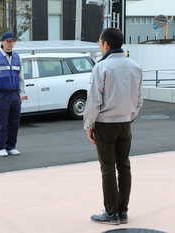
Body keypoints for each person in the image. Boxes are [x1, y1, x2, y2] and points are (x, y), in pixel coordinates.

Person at [83, 28, 143, 225]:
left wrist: (89, 126)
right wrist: (129, 116)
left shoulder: (101, 67)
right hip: (125, 123)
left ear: (105, 44)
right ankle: (123, 211)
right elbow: (139, 99)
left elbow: (93, 102)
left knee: (108, 168)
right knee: (124, 166)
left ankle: (110, 213)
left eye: (100, 43)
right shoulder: (135, 66)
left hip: (105, 124)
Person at [0, 31, 25, 157]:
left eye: (12, 41)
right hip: (1, 94)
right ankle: (1, 147)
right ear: (2, 42)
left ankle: (11, 146)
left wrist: (21, 93)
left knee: (14, 121)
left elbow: (21, 78)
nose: (10, 44)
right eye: (8, 41)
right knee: (1, 121)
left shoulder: (17, 57)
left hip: (14, 94)